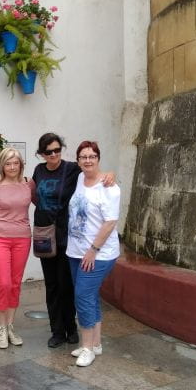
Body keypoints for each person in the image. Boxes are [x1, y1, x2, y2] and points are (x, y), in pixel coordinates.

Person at [32, 133, 114, 348]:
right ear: (41, 153)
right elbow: (33, 194)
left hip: (68, 238)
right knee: (51, 285)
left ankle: (71, 328)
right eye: (48, 151)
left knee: (66, 285)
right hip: (44, 236)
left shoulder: (72, 169)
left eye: (57, 150)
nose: (54, 155)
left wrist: (110, 175)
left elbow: (94, 173)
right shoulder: (38, 170)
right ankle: (57, 331)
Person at [66, 140, 120, 367]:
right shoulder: (80, 178)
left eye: (92, 156)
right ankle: (95, 344)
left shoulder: (109, 188)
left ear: (98, 158)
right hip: (76, 252)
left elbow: (110, 222)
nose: (88, 160)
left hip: (99, 254)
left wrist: (93, 250)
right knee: (90, 296)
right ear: (78, 160)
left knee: (82, 296)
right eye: (83, 157)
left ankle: (86, 346)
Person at [0, 147, 35, 349]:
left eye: (16, 163)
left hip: (22, 239)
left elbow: (46, 201)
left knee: (15, 283)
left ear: (21, 164)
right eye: (8, 163)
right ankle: (1, 328)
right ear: (2, 165)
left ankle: (11, 326)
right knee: (3, 283)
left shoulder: (28, 183)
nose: (12, 167)